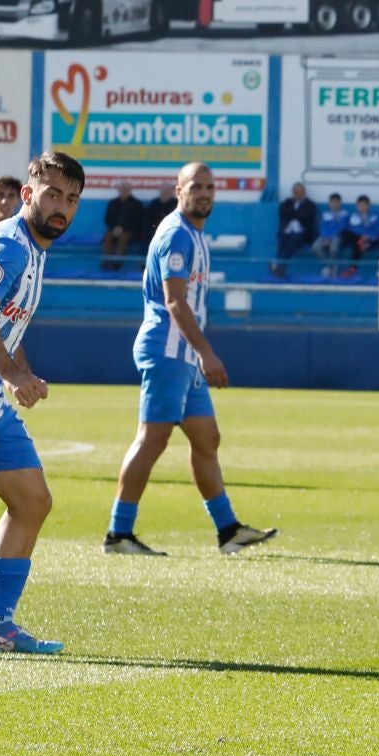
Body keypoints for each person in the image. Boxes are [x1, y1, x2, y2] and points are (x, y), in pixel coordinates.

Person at [103, 162, 279, 558]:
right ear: (178, 190)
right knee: (152, 439)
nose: (204, 193)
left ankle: (228, 530)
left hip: (182, 354)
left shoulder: (194, 234)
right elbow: (174, 301)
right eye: (195, 186)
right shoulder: (177, 235)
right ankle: (118, 533)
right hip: (168, 351)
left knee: (206, 438)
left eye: (210, 187)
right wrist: (206, 352)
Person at [0, 152, 87, 654]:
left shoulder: (34, 248)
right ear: (28, 195)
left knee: (33, 501)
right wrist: (9, 373)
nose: (61, 206)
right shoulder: (9, 244)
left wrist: (19, 371)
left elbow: (6, 320)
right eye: (52, 195)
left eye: (71, 199)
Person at [101, 182, 148, 272]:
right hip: (114, 230)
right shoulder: (113, 203)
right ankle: (107, 261)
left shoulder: (137, 204)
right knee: (107, 236)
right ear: (118, 190)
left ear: (130, 190)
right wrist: (114, 228)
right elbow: (108, 219)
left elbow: (139, 222)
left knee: (123, 237)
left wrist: (124, 229)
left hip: (131, 232)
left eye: (126, 189)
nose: (124, 191)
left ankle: (117, 263)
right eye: (122, 189)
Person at [275, 183, 317, 276]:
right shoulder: (286, 203)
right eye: (296, 192)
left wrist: (292, 214)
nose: (298, 194)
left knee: (293, 241)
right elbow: (282, 212)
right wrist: (297, 214)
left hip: (303, 233)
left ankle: (280, 265)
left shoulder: (311, 205)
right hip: (287, 231)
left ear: (304, 192)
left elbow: (305, 216)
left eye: (300, 192)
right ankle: (279, 265)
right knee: (282, 240)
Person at [312, 193, 351, 275]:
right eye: (332, 202)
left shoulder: (344, 214)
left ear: (340, 203)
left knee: (333, 248)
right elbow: (322, 227)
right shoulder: (325, 214)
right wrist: (325, 237)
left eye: (336, 203)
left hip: (338, 237)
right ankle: (328, 266)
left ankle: (332, 268)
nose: (334, 205)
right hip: (324, 237)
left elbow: (343, 228)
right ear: (329, 203)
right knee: (315, 247)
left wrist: (331, 238)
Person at [343, 195, 379, 270]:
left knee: (358, 243)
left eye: (364, 205)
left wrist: (367, 236)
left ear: (368, 206)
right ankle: (361, 241)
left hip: (369, 240)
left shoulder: (374, 217)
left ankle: (353, 268)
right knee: (348, 235)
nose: (362, 207)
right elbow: (349, 229)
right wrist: (361, 236)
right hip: (357, 239)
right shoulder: (352, 216)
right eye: (360, 205)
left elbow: (377, 232)